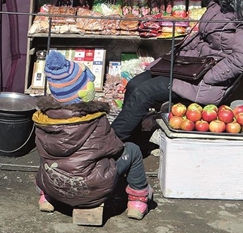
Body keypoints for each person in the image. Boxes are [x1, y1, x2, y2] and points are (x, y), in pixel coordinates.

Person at [112, 0, 243, 141]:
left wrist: (208, 78)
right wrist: (173, 59)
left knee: (145, 91)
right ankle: (134, 139)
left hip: (208, 77)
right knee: (135, 84)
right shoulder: (219, 1)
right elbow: (202, 38)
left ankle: (110, 143)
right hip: (193, 67)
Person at [33, 50, 153, 220]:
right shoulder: (95, 119)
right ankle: (138, 200)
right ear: (83, 91)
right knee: (132, 150)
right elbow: (115, 148)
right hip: (90, 190)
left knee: (49, 155)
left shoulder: (44, 119)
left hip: (54, 184)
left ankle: (47, 196)